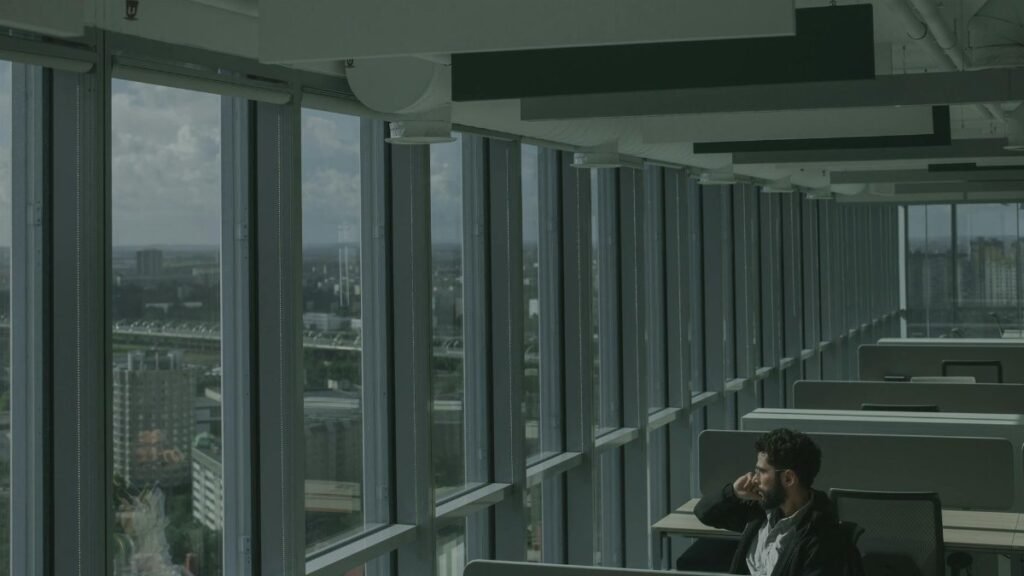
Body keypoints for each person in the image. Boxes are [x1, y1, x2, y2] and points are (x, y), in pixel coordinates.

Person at [685, 428, 851, 575]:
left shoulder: (822, 539)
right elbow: (704, 513)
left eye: (761, 472)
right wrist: (733, 493)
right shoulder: (760, 511)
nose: (754, 479)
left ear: (788, 478)